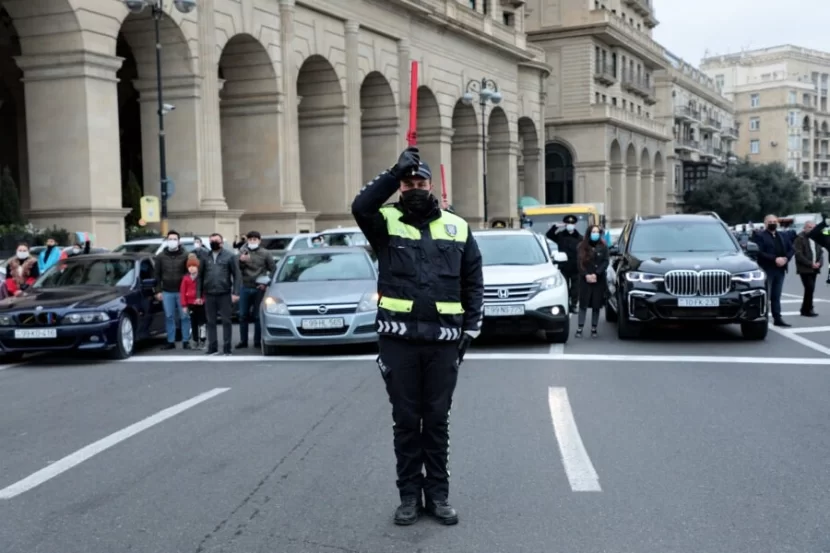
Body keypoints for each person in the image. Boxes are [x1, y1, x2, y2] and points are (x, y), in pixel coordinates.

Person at [351, 147, 484, 527]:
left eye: (420, 182)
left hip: (443, 342)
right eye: (408, 183)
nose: (414, 188)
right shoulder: (385, 222)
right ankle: (409, 496)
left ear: (433, 186)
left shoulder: (457, 227)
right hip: (398, 341)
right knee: (407, 421)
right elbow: (360, 206)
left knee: (437, 421)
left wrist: (471, 327)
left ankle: (438, 496)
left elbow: (473, 279)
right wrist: (393, 171)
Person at [199, 233, 242, 355]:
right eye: (211, 241)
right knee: (210, 321)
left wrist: (236, 292)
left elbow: (237, 275)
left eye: (216, 241)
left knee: (226, 321)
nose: (213, 243)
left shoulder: (229, 256)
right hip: (209, 293)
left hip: (224, 293)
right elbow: (200, 277)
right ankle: (212, 347)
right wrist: (198, 295)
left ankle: (227, 347)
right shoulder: (204, 256)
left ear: (221, 242)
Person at [749, 214, 794, 327]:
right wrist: (774, 259)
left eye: (774, 221)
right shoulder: (760, 236)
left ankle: (777, 318)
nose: (773, 223)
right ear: (765, 223)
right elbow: (759, 252)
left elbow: (791, 249)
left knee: (776, 295)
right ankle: (763, 318)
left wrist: (785, 259)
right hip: (767, 269)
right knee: (766, 295)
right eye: (770, 221)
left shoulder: (783, 235)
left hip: (780, 270)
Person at [236, 231, 276, 349]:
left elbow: (273, 269)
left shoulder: (265, 253)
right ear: (247, 240)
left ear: (259, 240)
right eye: (250, 239)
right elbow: (238, 269)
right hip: (245, 286)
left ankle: (257, 341)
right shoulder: (243, 252)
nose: (252, 241)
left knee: (258, 316)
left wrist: (266, 282)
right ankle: (243, 341)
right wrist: (242, 261)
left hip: (259, 287)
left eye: (255, 239)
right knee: (243, 315)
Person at [575, 226, 609, 338]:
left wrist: (597, 273)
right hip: (585, 280)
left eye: (597, 232)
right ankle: (580, 327)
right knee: (583, 304)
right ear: (589, 233)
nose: (595, 234)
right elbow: (579, 263)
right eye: (593, 232)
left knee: (596, 304)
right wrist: (586, 275)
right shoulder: (581, 246)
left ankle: (594, 328)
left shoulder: (603, 246)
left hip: (598, 280)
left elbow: (605, 262)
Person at [546, 215, 582, 313]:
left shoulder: (580, 238)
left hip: (575, 266)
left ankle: (574, 305)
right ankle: (566, 304)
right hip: (564, 266)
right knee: (564, 287)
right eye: (568, 223)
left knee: (575, 288)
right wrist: (555, 226)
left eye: (572, 223)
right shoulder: (561, 235)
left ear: (575, 224)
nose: (570, 225)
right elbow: (549, 235)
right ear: (565, 224)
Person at [793, 220, 821, 317]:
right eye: (809, 227)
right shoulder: (799, 238)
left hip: (815, 268)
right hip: (804, 268)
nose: (811, 229)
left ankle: (805, 308)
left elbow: (820, 252)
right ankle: (808, 309)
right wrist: (810, 264)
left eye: (813, 227)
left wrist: (819, 263)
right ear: (804, 228)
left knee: (810, 289)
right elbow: (798, 254)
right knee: (809, 287)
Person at [180, 254, 206, 348]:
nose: (191, 268)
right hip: (190, 304)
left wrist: (203, 299)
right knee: (193, 323)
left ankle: (202, 340)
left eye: (194, 266)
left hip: (200, 304)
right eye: (189, 266)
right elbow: (182, 292)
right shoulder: (185, 278)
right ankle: (195, 340)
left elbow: (204, 290)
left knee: (202, 323)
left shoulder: (201, 278)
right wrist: (184, 305)